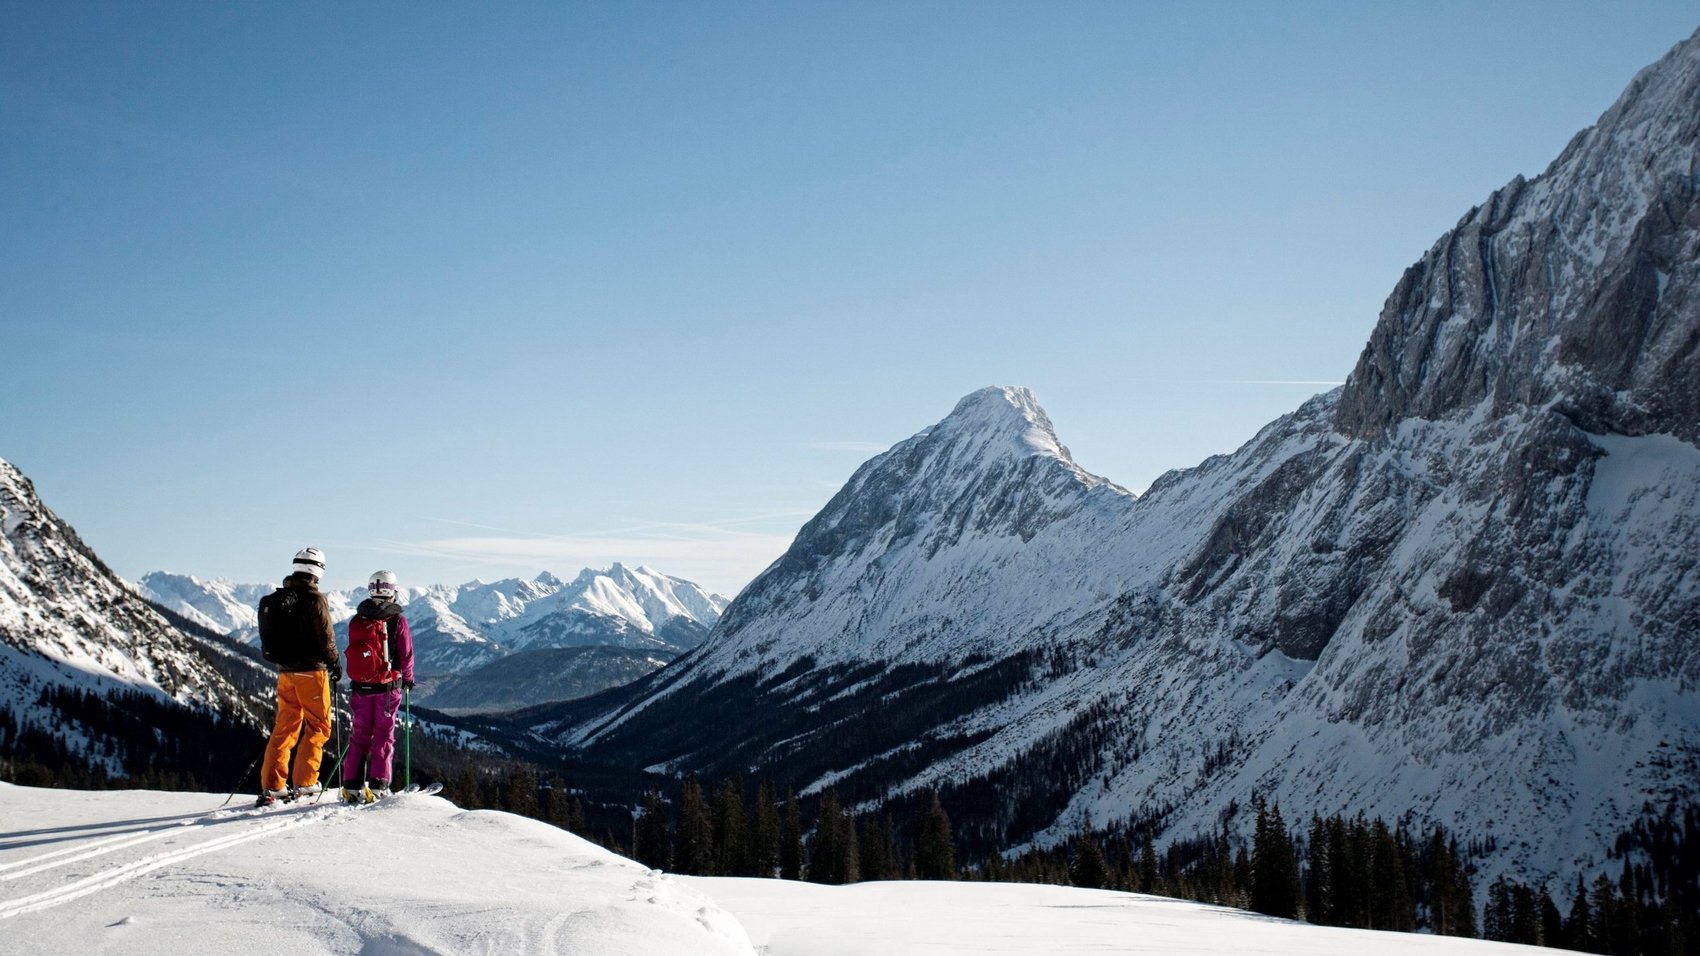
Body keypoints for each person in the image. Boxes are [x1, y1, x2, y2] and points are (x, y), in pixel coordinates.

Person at [255, 547, 341, 806]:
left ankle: (273, 786)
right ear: (318, 570)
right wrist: (335, 662)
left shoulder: (279, 599)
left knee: (285, 727)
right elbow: (326, 637)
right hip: (312, 672)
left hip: (285, 672)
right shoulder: (314, 598)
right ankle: (305, 782)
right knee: (318, 726)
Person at [340, 569, 415, 804]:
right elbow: (406, 654)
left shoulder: (358, 619)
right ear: (393, 591)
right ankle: (379, 785)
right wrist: (408, 679)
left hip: (360, 688)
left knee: (359, 735)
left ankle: (351, 787)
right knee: (383, 736)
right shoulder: (397, 620)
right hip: (386, 688)